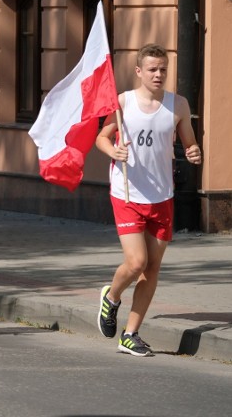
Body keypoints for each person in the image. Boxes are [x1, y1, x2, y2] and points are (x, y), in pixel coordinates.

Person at [95, 43, 202, 357]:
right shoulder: (123, 102)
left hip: (162, 195)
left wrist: (194, 152)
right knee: (137, 261)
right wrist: (112, 150)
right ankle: (111, 297)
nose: (159, 75)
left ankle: (130, 333)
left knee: (151, 269)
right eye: (152, 69)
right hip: (127, 192)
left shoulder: (178, 105)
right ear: (139, 72)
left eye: (163, 69)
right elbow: (102, 137)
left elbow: (189, 143)